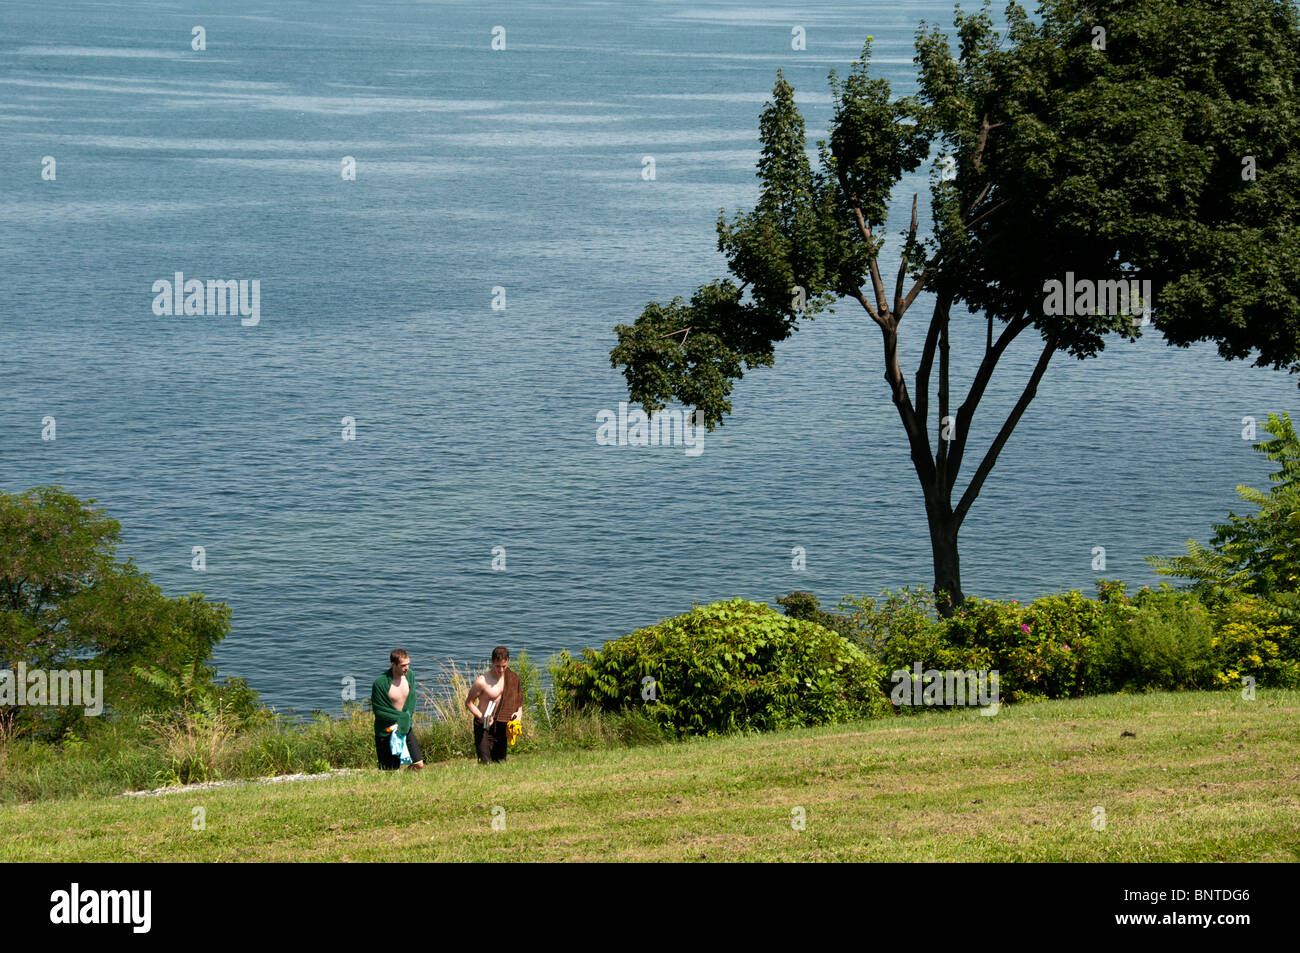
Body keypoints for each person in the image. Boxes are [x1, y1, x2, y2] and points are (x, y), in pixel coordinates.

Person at [465, 646, 522, 764]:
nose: (501, 670)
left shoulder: (512, 678)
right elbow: (469, 703)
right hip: (484, 723)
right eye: (497, 666)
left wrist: (518, 715)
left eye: (504, 666)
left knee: (500, 761)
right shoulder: (482, 681)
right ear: (492, 662)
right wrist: (482, 717)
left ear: (508, 661)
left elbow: (519, 703)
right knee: (485, 761)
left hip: (501, 722)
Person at [372, 649, 424, 770]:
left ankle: (406, 778)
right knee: (389, 770)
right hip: (386, 730)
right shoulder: (380, 683)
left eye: (408, 664)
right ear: (393, 664)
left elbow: (412, 699)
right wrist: (399, 718)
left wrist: (406, 717)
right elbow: (379, 710)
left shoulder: (410, 675)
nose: (407, 668)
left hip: (405, 726)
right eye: (403, 665)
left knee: (419, 764)